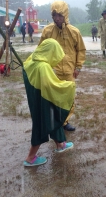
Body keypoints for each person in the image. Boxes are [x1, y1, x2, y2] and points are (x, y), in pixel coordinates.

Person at [23, 38, 75, 167]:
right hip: (43, 99)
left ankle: (60, 144)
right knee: (41, 125)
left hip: (36, 98)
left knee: (53, 117)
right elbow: (52, 86)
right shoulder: (43, 67)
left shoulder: (31, 61)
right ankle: (30, 158)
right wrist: (69, 86)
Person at [38, 0, 86, 132]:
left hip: (69, 71)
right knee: (53, 97)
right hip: (53, 71)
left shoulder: (74, 32)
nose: (57, 18)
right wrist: (44, 67)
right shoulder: (47, 31)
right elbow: (41, 50)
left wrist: (78, 67)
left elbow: (80, 50)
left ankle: (65, 122)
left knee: (68, 97)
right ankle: (54, 121)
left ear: (65, 15)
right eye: (54, 15)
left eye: (60, 15)